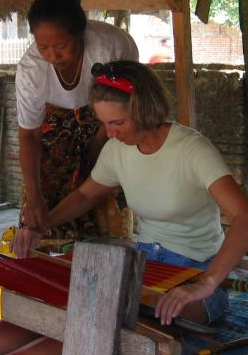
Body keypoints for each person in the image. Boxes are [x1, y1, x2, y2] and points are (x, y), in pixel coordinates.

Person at [13, 60, 248, 327]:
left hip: (194, 269)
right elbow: (85, 196)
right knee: (74, 300)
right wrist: (41, 226)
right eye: (104, 124)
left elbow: (244, 217)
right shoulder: (117, 150)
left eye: (118, 122)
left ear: (144, 109)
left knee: (125, 313)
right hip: (145, 262)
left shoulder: (193, 150)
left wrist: (206, 283)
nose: (110, 134)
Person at [16, 0, 138, 241]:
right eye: (42, 46)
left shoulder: (112, 46)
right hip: (52, 140)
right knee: (42, 216)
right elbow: (29, 135)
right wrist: (34, 195)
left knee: (104, 206)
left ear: (81, 33)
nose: (52, 55)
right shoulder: (30, 70)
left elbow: (124, 105)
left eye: (61, 46)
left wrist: (96, 149)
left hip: (108, 125)